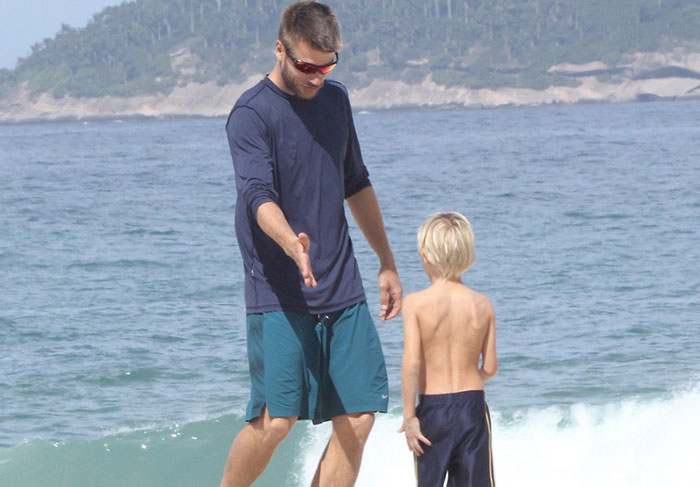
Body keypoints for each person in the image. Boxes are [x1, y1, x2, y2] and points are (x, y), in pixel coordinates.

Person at [222, 2, 402, 486]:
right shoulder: (251, 114)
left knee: (360, 415)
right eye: (306, 65)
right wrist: (291, 244)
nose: (317, 76)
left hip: (341, 284)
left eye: (328, 65)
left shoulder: (336, 100)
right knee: (275, 420)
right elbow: (257, 196)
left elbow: (356, 181)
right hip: (278, 289)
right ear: (280, 49)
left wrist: (386, 261)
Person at [399, 212, 497, 487]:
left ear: (426, 254)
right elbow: (489, 368)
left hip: (433, 408)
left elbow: (411, 363)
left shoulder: (416, 304)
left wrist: (410, 417)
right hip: (472, 408)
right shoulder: (483, 304)